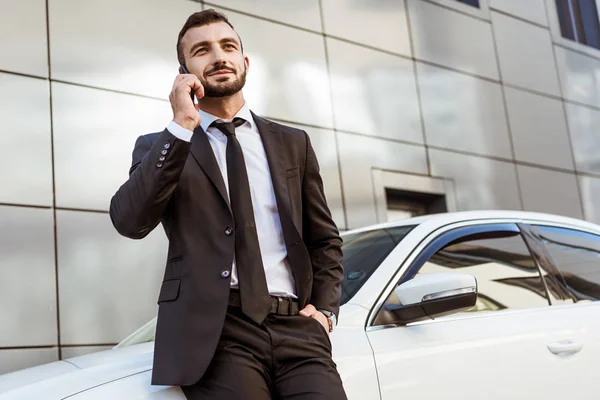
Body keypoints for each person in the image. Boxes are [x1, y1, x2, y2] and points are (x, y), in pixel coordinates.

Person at [109, 8, 346, 400]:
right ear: (183, 73)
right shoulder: (161, 145)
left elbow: (325, 239)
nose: (218, 56)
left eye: (228, 46)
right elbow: (129, 220)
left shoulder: (293, 144)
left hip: (298, 329)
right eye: (201, 50)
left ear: (245, 61)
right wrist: (181, 125)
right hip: (217, 335)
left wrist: (324, 311)